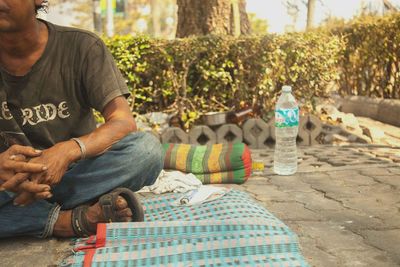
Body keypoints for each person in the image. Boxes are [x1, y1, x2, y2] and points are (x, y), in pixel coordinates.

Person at [0, 0, 163, 238]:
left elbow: (123, 121)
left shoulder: (82, 46)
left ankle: (29, 215)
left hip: (75, 172)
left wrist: (68, 150)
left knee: (146, 151)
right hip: (8, 182)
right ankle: (70, 220)